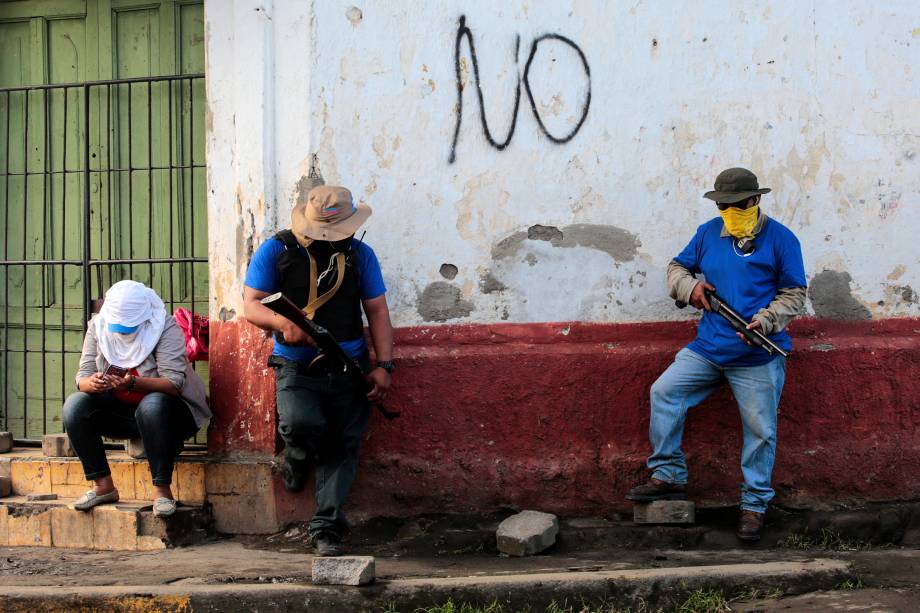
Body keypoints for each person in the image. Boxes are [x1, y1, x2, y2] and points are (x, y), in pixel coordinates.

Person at [627, 167, 807, 542]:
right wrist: (689, 288)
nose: (729, 210)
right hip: (707, 348)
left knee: (760, 431)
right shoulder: (708, 232)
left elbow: (794, 294)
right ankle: (669, 475)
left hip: (757, 356)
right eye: (723, 204)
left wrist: (767, 320)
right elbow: (677, 267)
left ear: (755, 200)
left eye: (736, 204)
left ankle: (755, 506)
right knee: (665, 392)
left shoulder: (782, 239)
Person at [242, 185, 394, 556]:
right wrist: (281, 324)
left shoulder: (361, 255)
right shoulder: (276, 250)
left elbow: (376, 310)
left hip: (349, 364)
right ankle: (295, 456)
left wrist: (384, 366)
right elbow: (251, 305)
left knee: (344, 443)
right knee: (299, 423)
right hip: (295, 365)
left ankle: (326, 527)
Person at [64, 280, 211, 517]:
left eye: (128, 325)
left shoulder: (164, 327)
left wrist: (133, 383)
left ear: (143, 317)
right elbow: (82, 376)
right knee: (75, 405)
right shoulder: (98, 326)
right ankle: (103, 485)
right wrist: (91, 384)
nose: (121, 330)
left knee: (152, 404)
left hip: (170, 413)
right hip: (123, 413)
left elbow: (173, 385)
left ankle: (162, 491)